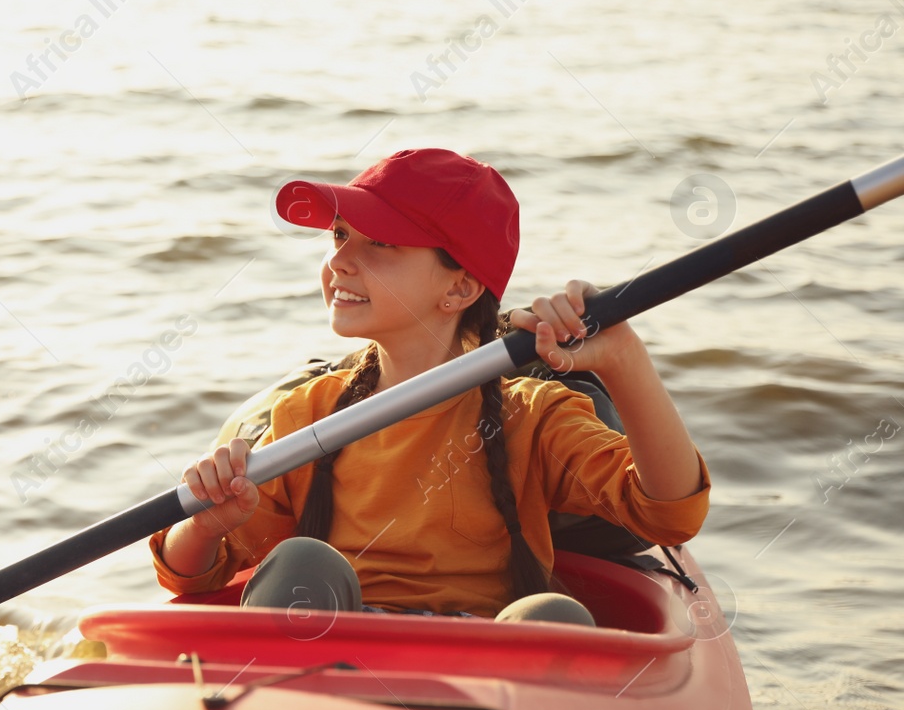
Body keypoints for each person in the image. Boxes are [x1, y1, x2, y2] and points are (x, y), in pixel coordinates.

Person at [148, 148, 710, 624]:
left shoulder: (533, 416)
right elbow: (192, 579)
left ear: (459, 289)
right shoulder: (306, 415)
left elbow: (669, 515)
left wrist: (623, 358)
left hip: (487, 679)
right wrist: (204, 525)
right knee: (301, 564)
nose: (340, 260)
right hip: (330, 662)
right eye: (341, 236)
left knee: (551, 616)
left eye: (381, 245)